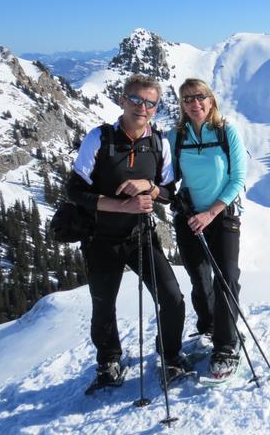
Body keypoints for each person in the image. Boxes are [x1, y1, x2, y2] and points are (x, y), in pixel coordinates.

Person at [66, 74, 187, 387]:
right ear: (122, 100)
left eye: (150, 103)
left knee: (172, 298)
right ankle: (109, 361)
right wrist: (122, 206)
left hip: (140, 237)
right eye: (135, 99)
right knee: (103, 305)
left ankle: (170, 355)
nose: (142, 107)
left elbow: (169, 191)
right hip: (100, 238)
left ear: (157, 107)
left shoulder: (159, 143)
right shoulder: (100, 138)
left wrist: (149, 187)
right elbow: (76, 191)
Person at [168, 78, 247, 378]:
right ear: (182, 105)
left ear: (211, 100)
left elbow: (237, 177)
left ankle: (227, 345)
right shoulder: (177, 136)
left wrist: (212, 212)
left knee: (226, 278)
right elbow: (168, 176)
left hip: (223, 215)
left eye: (200, 97)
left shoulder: (227, 132)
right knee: (200, 279)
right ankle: (210, 328)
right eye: (187, 99)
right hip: (190, 217)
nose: (194, 103)